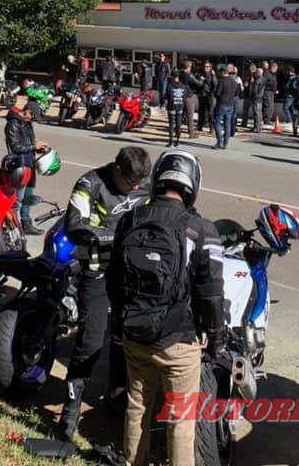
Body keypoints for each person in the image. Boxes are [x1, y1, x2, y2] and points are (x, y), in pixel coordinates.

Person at [107, 150, 224, 466]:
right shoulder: (201, 229)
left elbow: (113, 278)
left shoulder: (130, 218)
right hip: (179, 342)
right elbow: (211, 293)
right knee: (180, 418)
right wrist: (216, 338)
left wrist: (121, 322)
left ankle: (133, 461)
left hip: (134, 335)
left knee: (137, 406)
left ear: (158, 178)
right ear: (192, 184)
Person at [58, 147, 152, 442]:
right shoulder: (90, 183)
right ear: (117, 169)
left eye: (140, 183)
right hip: (97, 271)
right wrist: (118, 236)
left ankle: (117, 402)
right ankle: (67, 420)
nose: (136, 188)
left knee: (125, 342)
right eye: (131, 182)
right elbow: (74, 227)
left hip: (130, 273)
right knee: (89, 343)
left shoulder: (144, 187)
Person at [4, 103, 50, 234]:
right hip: (20, 165)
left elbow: (29, 143)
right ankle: (13, 228)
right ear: (27, 111)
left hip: (30, 163)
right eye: (33, 117)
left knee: (29, 197)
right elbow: (16, 147)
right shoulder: (13, 124)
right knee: (17, 200)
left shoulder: (27, 123)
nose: (33, 120)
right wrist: (34, 146)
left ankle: (26, 224)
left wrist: (39, 148)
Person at [213, 64, 238, 149]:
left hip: (221, 104)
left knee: (217, 122)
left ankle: (219, 142)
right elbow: (236, 93)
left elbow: (217, 94)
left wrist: (215, 92)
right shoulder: (234, 81)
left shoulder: (222, 81)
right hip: (230, 104)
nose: (219, 73)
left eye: (220, 72)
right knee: (227, 124)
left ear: (223, 72)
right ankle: (225, 143)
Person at [164, 70, 191, 147]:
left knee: (171, 125)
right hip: (180, 107)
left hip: (171, 107)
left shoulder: (169, 86)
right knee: (179, 125)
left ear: (173, 77)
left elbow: (166, 96)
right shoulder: (184, 86)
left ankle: (171, 142)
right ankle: (178, 141)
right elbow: (189, 94)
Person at [179, 61, 202, 139]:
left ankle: (177, 131)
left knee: (180, 115)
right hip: (189, 96)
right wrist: (201, 79)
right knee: (190, 116)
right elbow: (199, 84)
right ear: (189, 67)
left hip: (181, 95)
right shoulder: (189, 75)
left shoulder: (180, 73)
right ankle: (191, 134)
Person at [198, 61, 218, 133]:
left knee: (211, 113)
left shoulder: (212, 75)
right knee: (201, 112)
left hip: (209, 96)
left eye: (207, 66)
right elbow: (198, 84)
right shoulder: (201, 74)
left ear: (210, 67)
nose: (205, 68)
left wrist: (211, 94)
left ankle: (211, 128)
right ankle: (200, 127)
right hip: (202, 95)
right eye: (204, 66)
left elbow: (215, 85)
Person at [246, 68, 265, 133]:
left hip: (256, 97)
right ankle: (259, 126)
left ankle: (256, 127)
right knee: (259, 112)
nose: (255, 74)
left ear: (258, 73)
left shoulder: (257, 80)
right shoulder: (263, 79)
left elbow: (254, 90)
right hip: (260, 97)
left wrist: (251, 83)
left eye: (256, 72)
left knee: (256, 112)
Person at [240, 63, 257, 129]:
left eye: (253, 68)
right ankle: (244, 123)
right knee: (245, 110)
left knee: (255, 111)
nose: (251, 70)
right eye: (250, 68)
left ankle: (255, 125)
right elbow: (245, 84)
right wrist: (246, 83)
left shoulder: (256, 76)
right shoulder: (247, 75)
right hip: (247, 95)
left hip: (253, 96)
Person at [229, 65, 243, 137]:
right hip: (236, 97)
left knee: (229, 114)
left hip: (229, 98)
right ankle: (233, 131)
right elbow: (241, 89)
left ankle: (229, 130)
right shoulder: (238, 78)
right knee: (234, 114)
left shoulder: (228, 77)